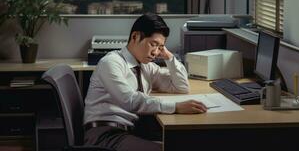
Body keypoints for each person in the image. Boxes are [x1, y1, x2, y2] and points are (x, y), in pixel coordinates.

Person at [83, 13, 207, 151]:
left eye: (160, 47)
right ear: (135, 37)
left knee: (184, 143)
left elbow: (181, 87)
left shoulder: (146, 67)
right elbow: (129, 100)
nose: (155, 52)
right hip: (105, 134)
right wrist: (176, 107)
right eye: (153, 44)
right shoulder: (111, 63)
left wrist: (169, 57)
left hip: (132, 132)